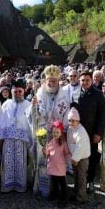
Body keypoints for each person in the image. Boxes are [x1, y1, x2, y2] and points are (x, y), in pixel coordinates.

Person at [29, 65, 71, 197]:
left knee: (57, 162)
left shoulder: (64, 95)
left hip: (57, 135)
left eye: (53, 81)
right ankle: (43, 188)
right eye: (49, 81)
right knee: (43, 161)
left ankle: (57, 189)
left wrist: (63, 133)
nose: (51, 83)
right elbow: (33, 116)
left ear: (58, 81)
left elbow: (67, 114)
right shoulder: (39, 93)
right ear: (45, 81)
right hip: (42, 134)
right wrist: (33, 107)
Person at [0, 79, 33, 193]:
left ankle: (20, 185)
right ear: (12, 92)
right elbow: (1, 120)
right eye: (15, 92)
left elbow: (31, 122)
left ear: (24, 91)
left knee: (20, 162)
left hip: (22, 140)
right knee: (7, 162)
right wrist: (0, 137)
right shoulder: (6, 104)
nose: (17, 94)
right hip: (8, 139)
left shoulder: (28, 105)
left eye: (20, 91)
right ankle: (8, 185)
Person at [76, 71, 105, 193]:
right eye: (82, 80)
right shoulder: (76, 93)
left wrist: (98, 133)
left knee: (93, 158)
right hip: (79, 132)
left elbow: (103, 114)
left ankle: (90, 181)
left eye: (87, 80)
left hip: (92, 132)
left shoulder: (98, 94)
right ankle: (80, 181)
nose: (84, 82)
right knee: (80, 157)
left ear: (91, 81)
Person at [66, 107, 91, 203]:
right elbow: (69, 143)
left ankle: (81, 198)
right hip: (74, 158)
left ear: (78, 121)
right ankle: (76, 193)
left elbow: (81, 147)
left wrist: (75, 159)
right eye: (69, 121)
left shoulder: (81, 131)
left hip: (81, 158)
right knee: (76, 177)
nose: (71, 123)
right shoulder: (70, 129)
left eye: (74, 121)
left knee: (81, 177)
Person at [44, 121, 71, 207]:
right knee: (53, 182)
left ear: (61, 132)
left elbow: (67, 153)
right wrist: (45, 151)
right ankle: (54, 194)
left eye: (57, 132)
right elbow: (47, 154)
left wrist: (68, 160)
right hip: (52, 166)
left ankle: (64, 199)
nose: (55, 134)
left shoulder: (63, 143)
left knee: (62, 183)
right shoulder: (51, 142)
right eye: (53, 132)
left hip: (60, 167)